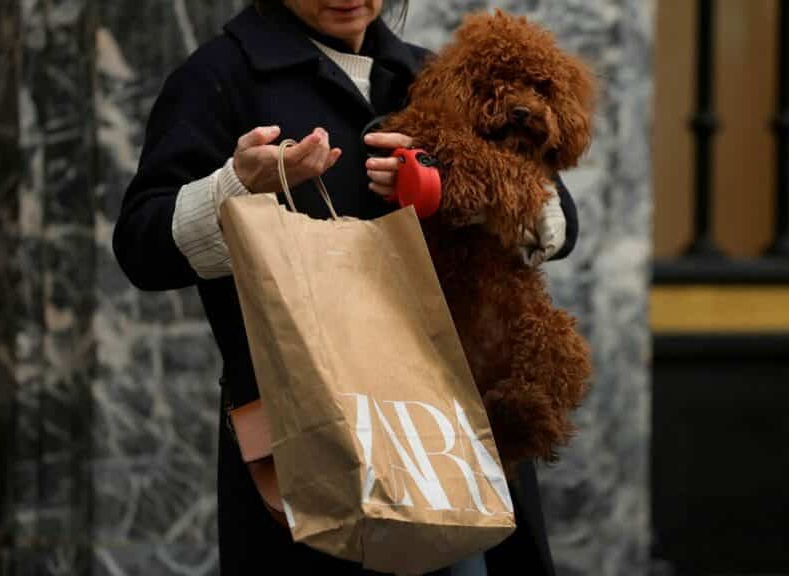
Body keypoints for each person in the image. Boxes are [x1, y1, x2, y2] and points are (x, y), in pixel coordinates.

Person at [112, 1, 579, 574]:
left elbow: (557, 211)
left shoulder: (432, 73)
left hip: (457, 419)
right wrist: (234, 187)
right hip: (312, 427)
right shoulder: (220, 75)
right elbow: (140, 246)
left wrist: (463, 188)